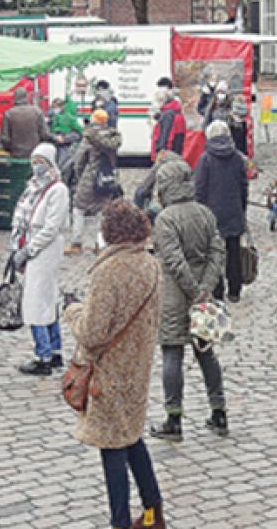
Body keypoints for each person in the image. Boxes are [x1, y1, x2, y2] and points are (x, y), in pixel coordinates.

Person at [63, 200, 166, 529]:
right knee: (131, 436)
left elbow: (92, 334)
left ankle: (119, 522)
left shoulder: (108, 271)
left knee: (112, 446)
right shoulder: (151, 264)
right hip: (138, 366)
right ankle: (153, 511)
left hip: (108, 371)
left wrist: (72, 310)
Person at [149, 158, 228, 442]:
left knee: (172, 353)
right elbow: (218, 250)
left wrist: (194, 289)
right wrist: (206, 287)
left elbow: (173, 260)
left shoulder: (166, 218)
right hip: (203, 291)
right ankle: (219, 411)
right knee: (205, 351)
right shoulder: (204, 213)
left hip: (174, 294)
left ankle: (173, 417)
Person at [11, 143, 70, 376]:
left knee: (36, 302)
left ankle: (43, 355)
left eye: (41, 161)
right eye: (34, 160)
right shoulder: (32, 187)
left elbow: (52, 227)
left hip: (44, 249)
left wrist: (29, 249)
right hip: (33, 245)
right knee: (47, 299)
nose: (36, 165)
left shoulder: (58, 190)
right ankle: (55, 351)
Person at [194, 120, 248, 303]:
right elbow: (243, 186)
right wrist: (242, 208)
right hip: (233, 209)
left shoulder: (205, 159)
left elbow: (199, 188)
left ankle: (217, 290)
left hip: (212, 211)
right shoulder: (237, 157)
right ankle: (235, 289)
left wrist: (199, 210)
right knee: (234, 251)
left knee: (214, 253)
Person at [66, 109, 122, 256]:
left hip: (90, 177)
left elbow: (79, 160)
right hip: (108, 177)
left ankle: (76, 243)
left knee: (79, 208)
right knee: (100, 211)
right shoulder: (113, 135)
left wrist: (79, 176)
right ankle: (98, 243)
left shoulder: (89, 137)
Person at [2, 87, 50, 158]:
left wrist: (9, 149)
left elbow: (5, 138)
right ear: (26, 97)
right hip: (35, 154)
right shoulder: (37, 111)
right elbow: (45, 134)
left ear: (15, 98)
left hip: (16, 154)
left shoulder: (8, 114)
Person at [151, 88, 186, 160]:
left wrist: (161, 149)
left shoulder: (168, 114)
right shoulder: (175, 111)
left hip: (166, 152)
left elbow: (165, 133)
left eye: (159, 100)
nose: (157, 102)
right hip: (174, 149)